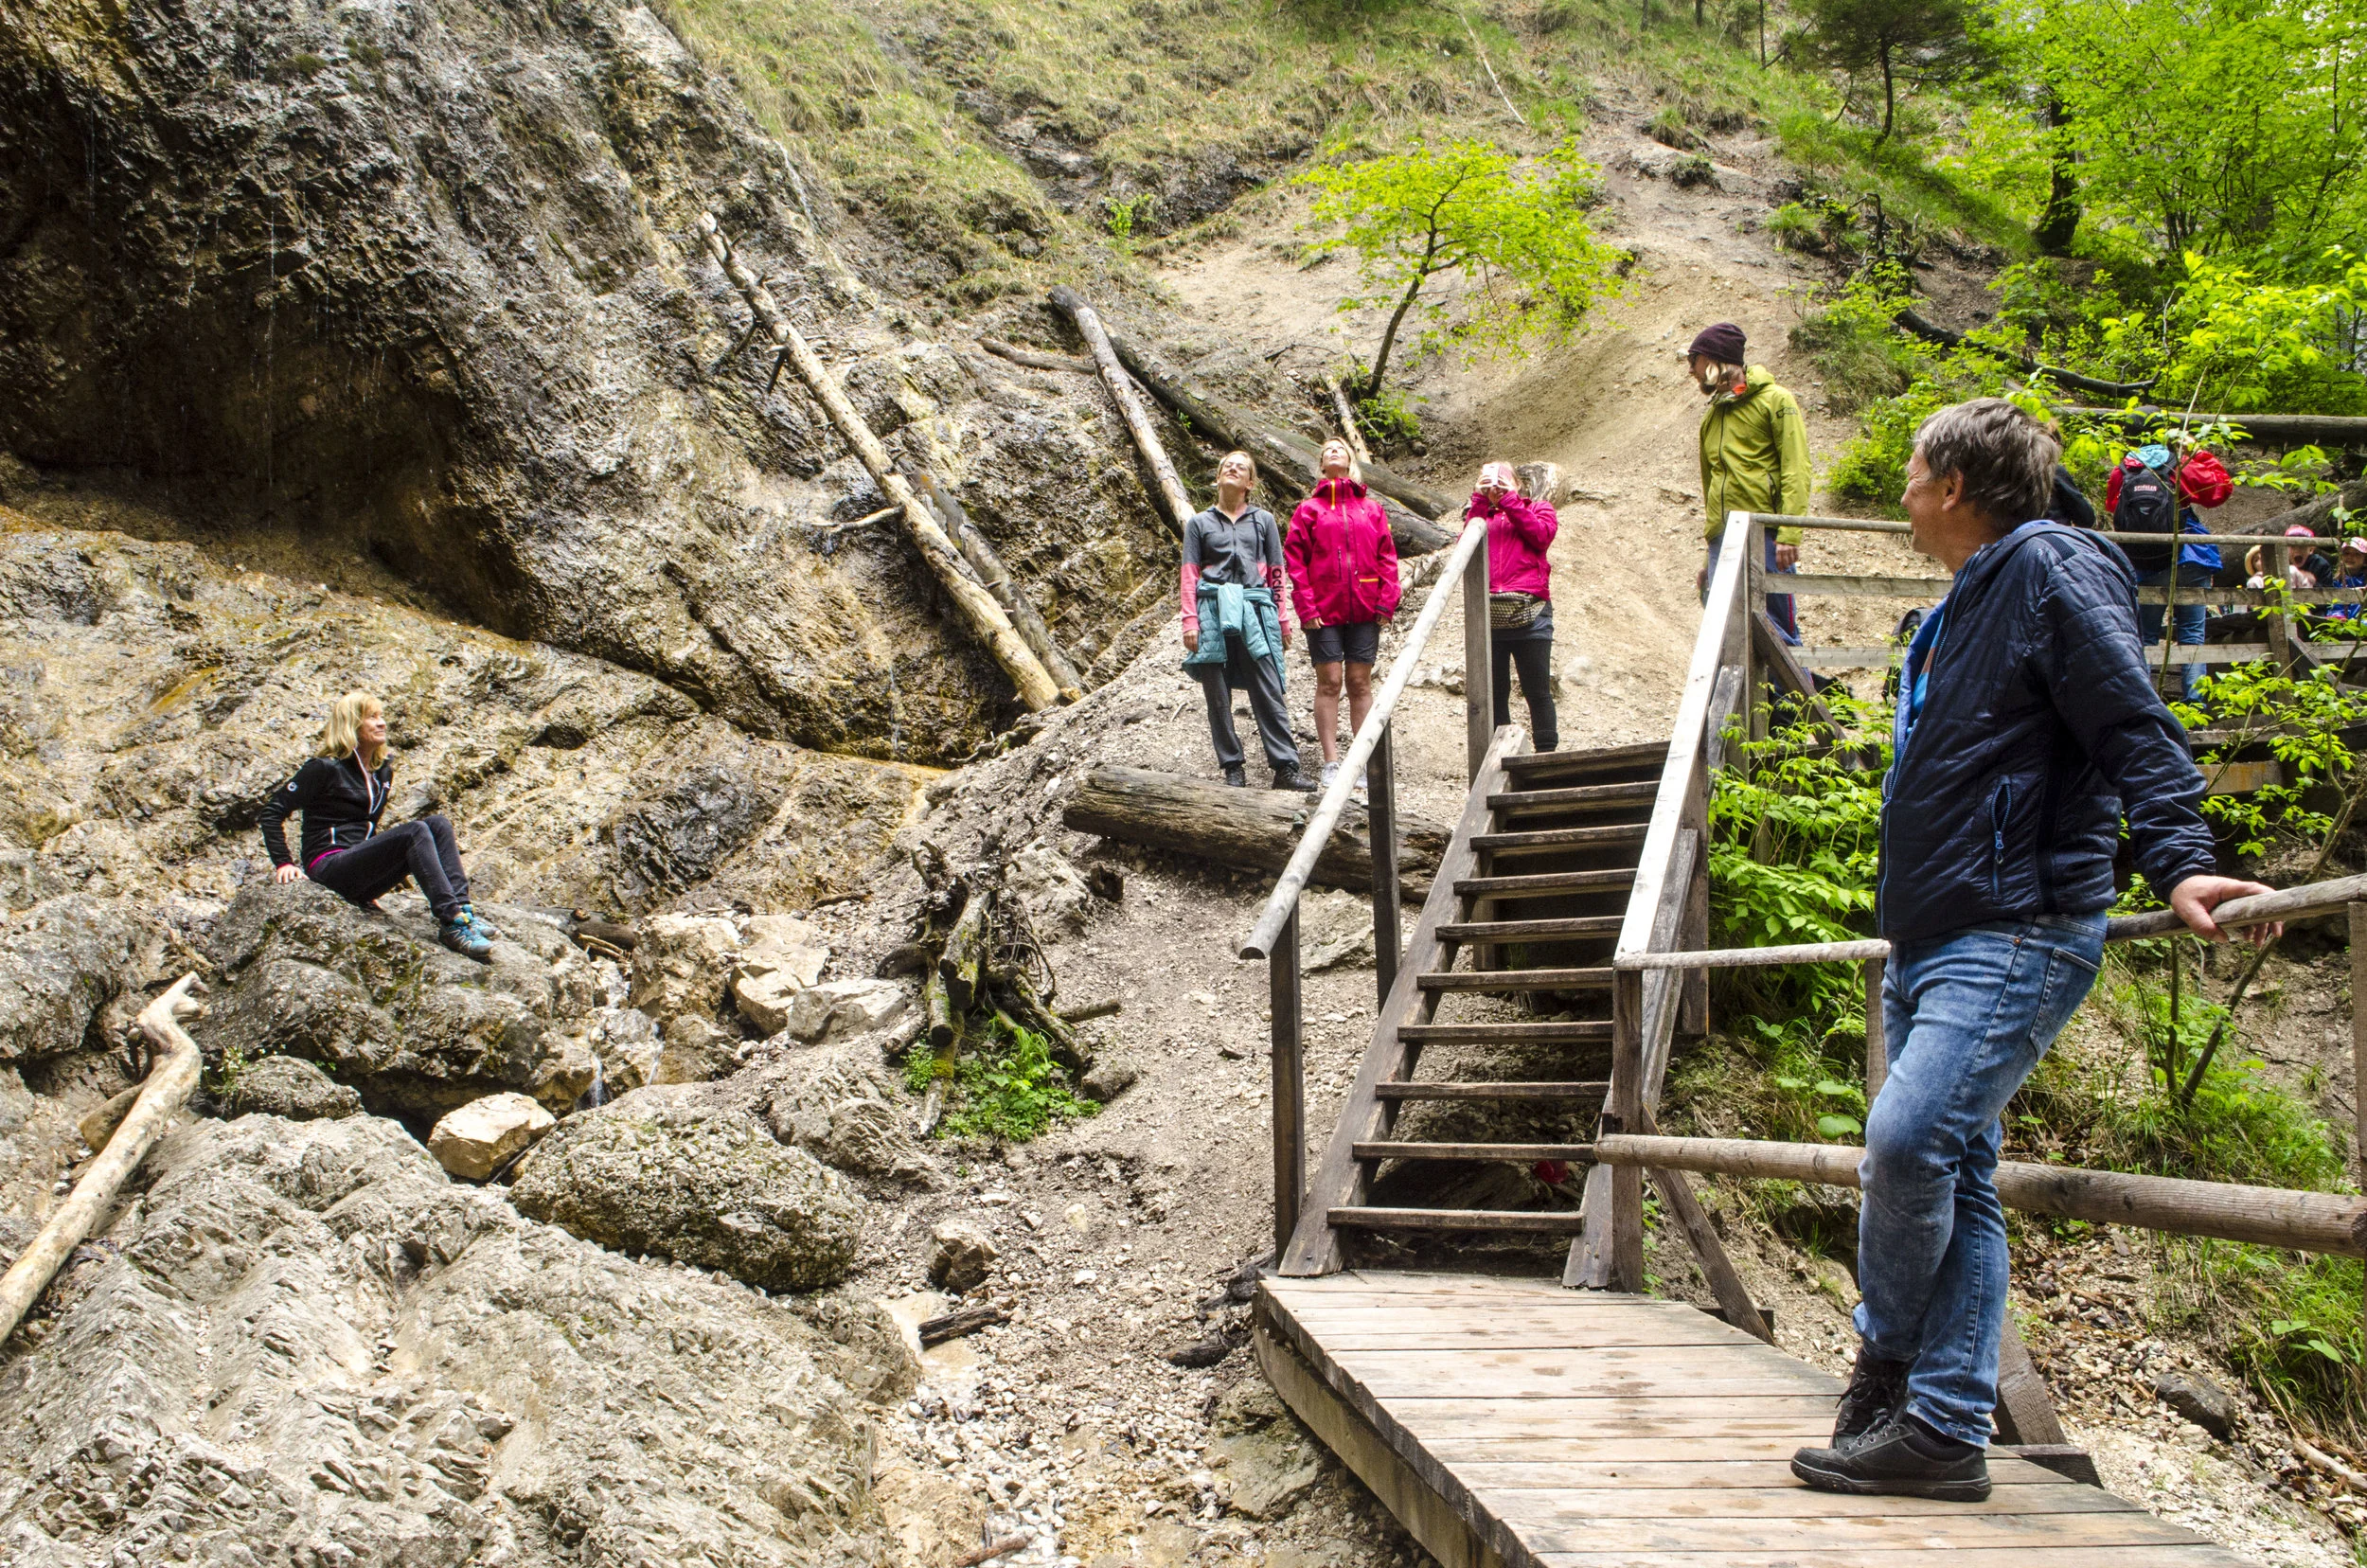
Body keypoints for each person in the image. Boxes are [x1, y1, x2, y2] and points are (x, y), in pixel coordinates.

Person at [1789, 399, 2274, 1502]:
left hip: (2014, 924)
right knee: (1955, 1165)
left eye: (1911, 473)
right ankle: (1944, 1429)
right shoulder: (1966, 598)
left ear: (1953, 485)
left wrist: (2180, 857)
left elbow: (2129, 719)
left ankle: (1887, 1367)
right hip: (1936, 928)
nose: (1902, 493)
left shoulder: (2050, 567)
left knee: (1905, 1141)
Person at [258, 691, 497, 961]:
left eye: (380, 716)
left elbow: (368, 829)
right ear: (351, 725)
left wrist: (371, 871)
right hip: (328, 867)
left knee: (437, 824)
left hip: (357, 873)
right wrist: (284, 863)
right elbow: (272, 811)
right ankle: (452, 922)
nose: (381, 722)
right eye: (371, 717)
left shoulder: (382, 772)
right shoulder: (324, 768)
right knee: (415, 831)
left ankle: (464, 913)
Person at [1182, 452, 1315, 792]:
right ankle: (1232, 768)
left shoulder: (1263, 521)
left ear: (1250, 483)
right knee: (1217, 693)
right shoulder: (1198, 524)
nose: (1233, 468)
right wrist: (1190, 621)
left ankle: (1285, 768)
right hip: (1211, 610)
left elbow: (1276, 572)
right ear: (1218, 477)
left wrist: (1282, 619)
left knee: (1268, 687)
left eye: (1241, 467)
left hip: (1255, 609)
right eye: (1227, 465)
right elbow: (1189, 574)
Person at [1286, 438, 1400, 788]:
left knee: (1360, 682)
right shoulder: (1308, 510)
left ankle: (1361, 762)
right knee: (1330, 682)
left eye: (1340, 448)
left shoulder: (1372, 509)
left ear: (1351, 462)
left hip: (1366, 607)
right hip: (1322, 610)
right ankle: (1332, 762)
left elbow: (1387, 558)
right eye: (1327, 450)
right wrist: (1306, 606)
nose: (1333, 451)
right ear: (1321, 465)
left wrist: (1387, 601)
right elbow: (1295, 562)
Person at [1689, 322, 1809, 641]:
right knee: (1727, 630)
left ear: (1716, 360)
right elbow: (1711, 489)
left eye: (1695, 360)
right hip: (1723, 540)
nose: (1692, 370)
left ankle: (1793, 677)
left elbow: (1796, 467)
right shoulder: (1712, 417)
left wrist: (1789, 532)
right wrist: (1709, 556)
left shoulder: (1776, 401)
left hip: (1763, 533)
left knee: (1776, 630)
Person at [2106, 442, 2233, 701]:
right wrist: (2198, 452)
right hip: (2189, 557)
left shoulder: (2123, 470)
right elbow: (2221, 489)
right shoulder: (2179, 465)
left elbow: (2112, 506)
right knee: (2192, 634)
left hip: (2144, 561)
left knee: (2146, 636)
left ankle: (2143, 703)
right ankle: (2195, 705)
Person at [1468, 460, 1559, 752]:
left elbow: (1541, 536)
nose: (1496, 486)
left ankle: (1546, 753)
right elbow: (1466, 548)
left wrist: (1509, 502)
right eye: (1490, 482)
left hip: (1532, 610)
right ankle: (1502, 754)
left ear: (1518, 484)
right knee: (1496, 692)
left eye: (1504, 480)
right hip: (1490, 612)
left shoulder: (1539, 509)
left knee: (1537, 689)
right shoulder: (1481, 518)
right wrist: (1480, 501)